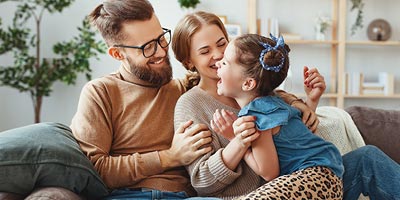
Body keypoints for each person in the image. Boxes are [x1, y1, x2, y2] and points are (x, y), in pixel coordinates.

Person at [172, 11, 400, 200]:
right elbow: (202, 181)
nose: (218, 55)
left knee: (367, 157)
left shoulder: (261, 92)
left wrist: (311, 101)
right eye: (205, 51)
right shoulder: (191, 104)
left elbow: (295, 137)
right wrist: (238, 142)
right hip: (261, 194)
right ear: (188, 61)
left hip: (308, 185)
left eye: (222, 44)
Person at [69, 1, 216, 199]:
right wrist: (169, 157)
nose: (162, 52)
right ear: (117, 53)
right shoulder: (101, 92)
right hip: (127, 195)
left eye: (161, 39)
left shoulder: (185, 90)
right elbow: (95, 169)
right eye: (147, 47)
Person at [215, 33, 344, 199]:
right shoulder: (276, 102)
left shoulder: (257, 114)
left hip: (314, 178)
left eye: (224, 62)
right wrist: (310, 102)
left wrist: (235, 139)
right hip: (328, 174)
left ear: (248, 83)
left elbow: (269, 173)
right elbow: (299, 138)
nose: (217, 63)